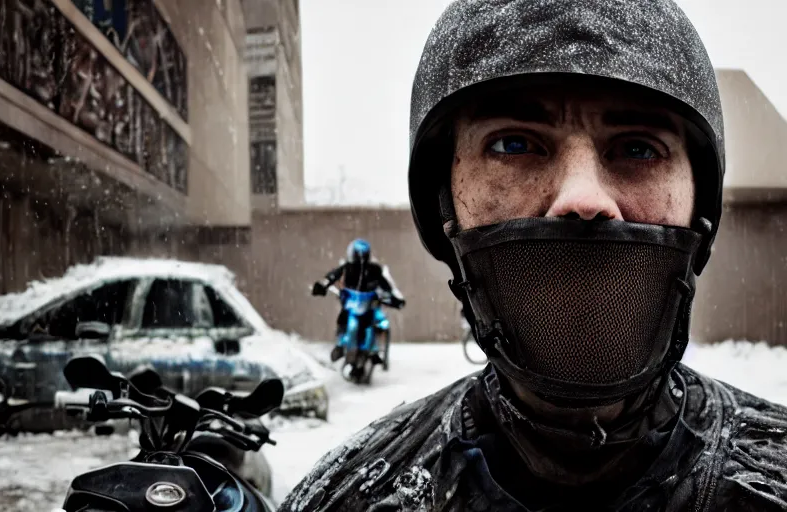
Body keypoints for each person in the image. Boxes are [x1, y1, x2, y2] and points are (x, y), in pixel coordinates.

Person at [280, 1, 787, 510]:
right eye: (514, 144)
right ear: (445, 208)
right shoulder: (349, 498)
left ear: (701, 205)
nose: (584, 199)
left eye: (638, 149)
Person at [311, 239, 405, 363]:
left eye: (363, 254)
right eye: (358, 253)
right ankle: (340, 344)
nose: (360, 257)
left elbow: (385, 286)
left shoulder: (374, 270)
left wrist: (394, 299)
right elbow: (332, 276)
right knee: (343, 318)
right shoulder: (347, 268)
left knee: (378, 321)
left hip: (368, 306)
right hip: (351, 304)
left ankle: (374, 350)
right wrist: (323, 285)